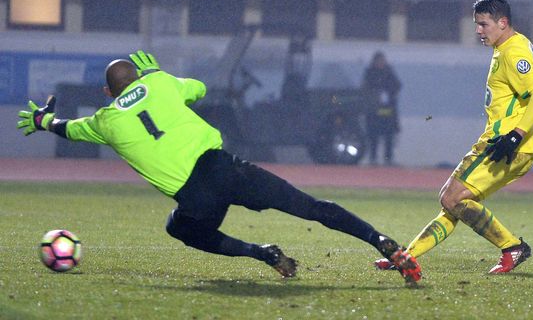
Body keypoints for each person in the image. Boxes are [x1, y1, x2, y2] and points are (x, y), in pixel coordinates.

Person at [17, 50, 421, 284]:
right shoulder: (158, 83)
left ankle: (261, 253)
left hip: (194, 196)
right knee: (309, 206)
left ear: (107, 92)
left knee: (180, 227)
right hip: (226, 168)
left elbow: (67, 128)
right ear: (139, 75)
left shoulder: (104, 120)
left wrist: (41, 121)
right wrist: (159, 76)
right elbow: (199, 89)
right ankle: (381, 240)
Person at [374, 0, 533, 274]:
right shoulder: (510, 45)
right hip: (508, 143)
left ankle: (512, 246)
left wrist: (515, 135)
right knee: (454, 202)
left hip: (505, 145)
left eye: (483, 24)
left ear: (502, 22)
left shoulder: (514, 51)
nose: (478, 31)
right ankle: (405, 257)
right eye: (477, 25)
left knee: (451, 198)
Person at [362, 51, 401, 165]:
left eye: (382, 61)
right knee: (373, 136)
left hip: (388, 111)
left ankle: (388, 158)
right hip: (374, 111)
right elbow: (365, 89)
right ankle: (373, 158)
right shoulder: (370, 73)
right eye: (379, 61)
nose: (381, 63)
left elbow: (397, 86)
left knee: (388, 136)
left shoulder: (389, 73)